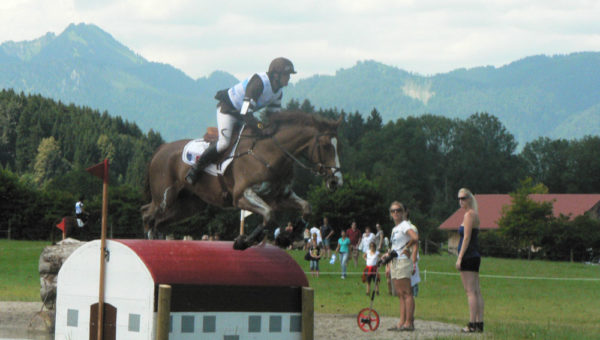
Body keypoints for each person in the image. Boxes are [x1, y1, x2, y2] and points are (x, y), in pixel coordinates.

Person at [185, 57, 296, 184]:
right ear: (276, 75)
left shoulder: (278, 93)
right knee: (224, 144)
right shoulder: (259, 83)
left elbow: (274, 117)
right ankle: (195, 169)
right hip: (228, 110)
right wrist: (261, 127)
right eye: (286, 75)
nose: (289, 78)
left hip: (243, 116)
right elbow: (245, 112)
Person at [382, 201, 418, 332]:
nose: (395, 213)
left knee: (407, 292)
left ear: (403, 212)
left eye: (398, 210)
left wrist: (407, 248)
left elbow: (415, 237)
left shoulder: (404, 225)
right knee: (400, 294)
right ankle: (401, 321)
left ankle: (409, 322)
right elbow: (395, 247)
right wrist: (386, 255)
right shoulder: (394, 229)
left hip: (403, 261)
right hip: (395, 262)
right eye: (393, 211)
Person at [456, 188, 484, 333]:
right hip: (474, 255)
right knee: (476, 291)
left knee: (470, 292)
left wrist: (459, 257)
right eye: (459, 198)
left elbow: (466, 238)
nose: (461, 201)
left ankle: (472, 323)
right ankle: (479, 323)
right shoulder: (475, 215)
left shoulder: (469, 215)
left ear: (469, 198)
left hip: (468, 256)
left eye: (463, 198)